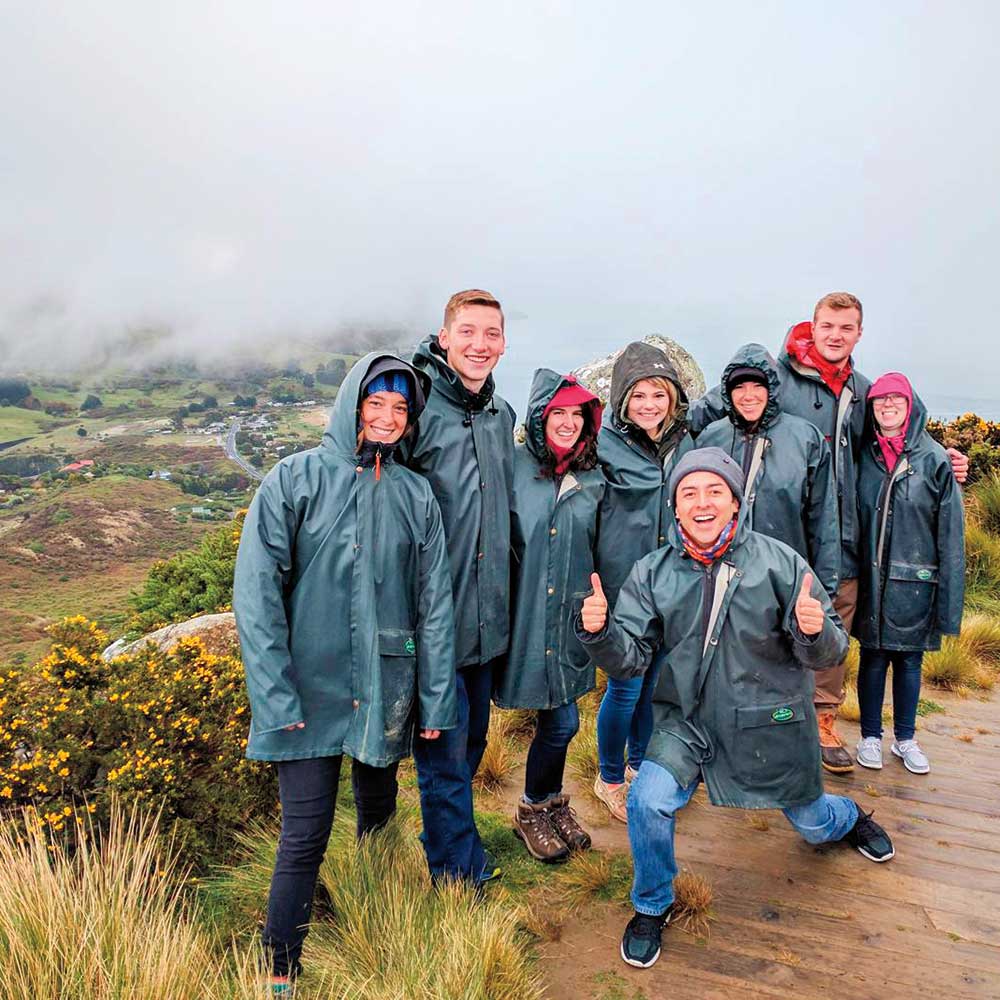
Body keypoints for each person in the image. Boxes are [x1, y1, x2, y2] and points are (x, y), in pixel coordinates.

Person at [577, 447, 895, 971]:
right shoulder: (652, 572)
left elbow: (833, 649)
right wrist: (600, 633)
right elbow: (630, 660)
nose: (702, 503)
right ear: (675, 509)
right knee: (647, 800)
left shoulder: (779, 561)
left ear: (733, 502)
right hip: (685, 722)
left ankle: (848, 818)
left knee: (812, 824)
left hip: (765, 720)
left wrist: (811, 632)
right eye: (688, 493)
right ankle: (652, 904)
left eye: (713, 491)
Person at [233, 354, 458, 990]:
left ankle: (374, 920)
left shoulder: (416, 496)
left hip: (384, 688)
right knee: (304, 836)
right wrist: (276, 700)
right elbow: (256, 598)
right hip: (306, 693)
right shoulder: (293, 480)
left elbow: (434, 608)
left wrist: (436, 705)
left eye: (400, 408)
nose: (388, 418)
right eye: (376, 403)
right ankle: (280, 971)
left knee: (379, 815)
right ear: (352, 406)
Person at [690, 293, 968, 773]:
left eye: (846, 327)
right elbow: (701, 415)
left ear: (859, 332)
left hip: (846, 534)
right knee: (763, 630)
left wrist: (940, 454)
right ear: (811, 327)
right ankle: (747, 724)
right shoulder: (775, 378)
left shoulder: (862, 390)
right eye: (827, 326)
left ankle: (821, 721)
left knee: (830, 623)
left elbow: (897, 432)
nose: (836, 335)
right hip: (782, 530)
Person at [405, 289, 515, 884]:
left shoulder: (502, 416)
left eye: (491, 334)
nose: (480, 345)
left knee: (469, 748)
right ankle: (457, 874)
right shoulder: (418, 408)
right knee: (443, 756)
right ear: (444, 337)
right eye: (468, 332)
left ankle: (445, 839)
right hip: (434, 623)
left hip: (485, 622)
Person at [495, 369, 605, 862]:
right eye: (556, 413)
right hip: (520, 621)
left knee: (562, 724)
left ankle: (543, 805)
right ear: (539, 419)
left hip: (570, 621)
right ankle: (531, 811)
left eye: (575, 413)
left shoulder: (594, 477)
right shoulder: (512, 468)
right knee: (498, 727)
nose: (566, 422)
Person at [592, 342, 695, 822]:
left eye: (658, 394)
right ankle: (610, 776)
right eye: (638, 396)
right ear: (622, 400)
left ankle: (638, 765)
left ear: (673, 397)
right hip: (623, 591)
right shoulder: (603, 442)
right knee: (625, 689)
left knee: (652, 687)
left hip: (672, 586)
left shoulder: (685, 443)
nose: (649, 404)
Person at [854, 373, 965, 774]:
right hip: (871, 580)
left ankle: (905, 738)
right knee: (872, 658)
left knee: (909, 662)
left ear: (910, 406)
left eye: (895, 400)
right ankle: (869, 736)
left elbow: (950, 536)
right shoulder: (861, 456)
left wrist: (949, 604)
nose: (887, 406)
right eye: (880, 401)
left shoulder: (935, 459)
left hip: (916, 585)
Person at [697, 343, 840, 598]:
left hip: (784, 579)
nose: (748, 395)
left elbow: (823, 523)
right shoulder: (711, 438)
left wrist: (823, 592)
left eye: (757, 385)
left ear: (772, 389)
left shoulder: (806, 439)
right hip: (720, 578)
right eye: (739, 387)